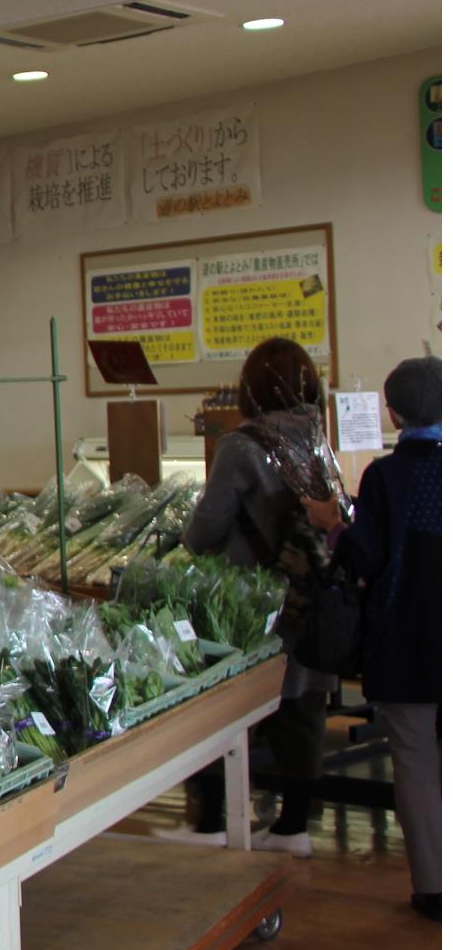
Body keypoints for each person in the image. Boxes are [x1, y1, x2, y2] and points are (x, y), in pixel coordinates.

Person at [167, 337, 337, 854]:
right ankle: (294, 828)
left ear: (252, 388)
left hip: (250, 604)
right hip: (307, 592)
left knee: (223, 705)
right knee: (302, 710)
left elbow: (205, 529)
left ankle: (214, 820)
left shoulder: (243, 446)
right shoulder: (317, 436)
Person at [301, 356, 441, 919]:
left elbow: (365, 556)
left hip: (405, 637)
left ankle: (433, 888)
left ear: (392, 412)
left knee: (415, 758)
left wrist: (333, 524)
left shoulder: (385, 476)